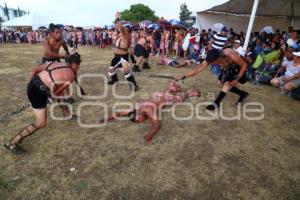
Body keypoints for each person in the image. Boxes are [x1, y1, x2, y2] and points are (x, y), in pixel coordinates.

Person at [4, 53, 82, 155]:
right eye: (78, 65)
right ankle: (12, 143)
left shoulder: (54, 63)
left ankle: (67, 114)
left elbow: (34, 70)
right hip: (39, 92)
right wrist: (49, 96)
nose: (79, 67)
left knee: (61, 97)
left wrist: (32, 86)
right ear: (74, 64)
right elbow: (57, 93)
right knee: (40, 123)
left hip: (33, 84)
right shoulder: (70, 75)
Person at [100, 81, 200, 142]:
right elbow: (119, 113)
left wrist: (151, 134)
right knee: (163, 96)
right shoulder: (135, 108)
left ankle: (188, 92)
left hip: (166, 98)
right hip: (158, 95)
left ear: (138, 115)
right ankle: (172, 88)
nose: (141, 121)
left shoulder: (149, 111)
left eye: (139, 120)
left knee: (179, 99)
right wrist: (107, 118)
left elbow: (157, 124)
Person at [177, 48, 249, 110]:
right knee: (221, 84)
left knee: (227, 85)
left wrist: (236, 80)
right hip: (227, 68)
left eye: (214, 62)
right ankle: (242, 94)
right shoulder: (211, 58)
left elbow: (244, 65)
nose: (212, 64)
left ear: (219, 58)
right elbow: (197, 70)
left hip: (238, 68)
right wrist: (184, 76)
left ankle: (216, 103)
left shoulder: (230, 54)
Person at [107, 12, 139, 91]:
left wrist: (117, 19)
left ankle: (134, 86)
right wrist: (116, 21)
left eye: (124, 28)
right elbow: (118, 27)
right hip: (116, 56)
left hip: (123, 57)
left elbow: (120, 27)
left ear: (127, 29)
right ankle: (114, 80)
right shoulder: (119, 36)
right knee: (111, 69)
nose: (121, 29)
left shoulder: (126, 35)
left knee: (126, 72)